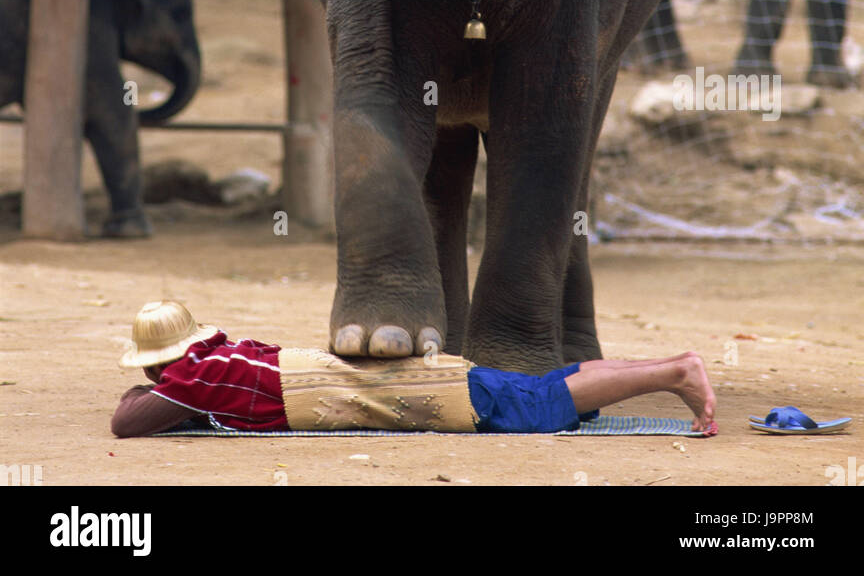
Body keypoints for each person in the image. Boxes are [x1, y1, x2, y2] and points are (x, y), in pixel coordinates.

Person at [112, 300, 718, 438]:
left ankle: (674, 373)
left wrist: (150, 386)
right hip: (428, 379)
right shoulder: (230, 353)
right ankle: (670, 366)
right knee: (541, 388)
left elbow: (128, 423)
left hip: (434, 394)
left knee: (538, 408)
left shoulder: (197, 379)